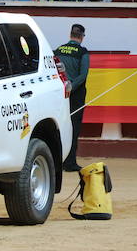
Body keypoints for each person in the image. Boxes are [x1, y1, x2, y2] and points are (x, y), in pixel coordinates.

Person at [54, 23, 90, 172]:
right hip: (75, 95)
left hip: (59, 94)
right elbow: (83, 75)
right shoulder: (82, 52)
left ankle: (56, 162)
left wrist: (63, 87)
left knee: (57, 126)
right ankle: (69, 162)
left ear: (70, 35)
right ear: (81, 37)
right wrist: (72, 87)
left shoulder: (58, 50)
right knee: (73, 127)